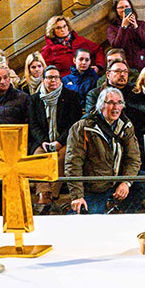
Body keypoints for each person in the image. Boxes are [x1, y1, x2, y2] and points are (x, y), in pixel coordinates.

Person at [65, 87, 145, 214]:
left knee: (144, 181)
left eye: (119, 103)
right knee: (83, 219)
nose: (116, 107)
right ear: (101, 106)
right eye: (111, 103)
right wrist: (77, 196)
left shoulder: (125, 126)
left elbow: (133, 159)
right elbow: (73, 164)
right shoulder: (82, 127)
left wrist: (126, 182)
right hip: (94, 187)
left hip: (117, 181)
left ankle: (118, 211)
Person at [28, 65, 84, 212]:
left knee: (62, 157)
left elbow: (74, 123)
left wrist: (59, 142)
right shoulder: (34, 99)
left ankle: (52, 195)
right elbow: (33, 125)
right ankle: (44, 193)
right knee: (39, 156)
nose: (53, 80)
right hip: (43, 140)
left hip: (65, 139)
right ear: (43, 79)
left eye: (56, 77)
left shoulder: (71, 96)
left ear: (60, 79)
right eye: (49, 77)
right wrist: (43, 141)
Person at [105, 0, 145, 71]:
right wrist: (123, 27)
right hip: (124, 67)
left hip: (140, 65)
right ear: (116, 10)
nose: (124, 10)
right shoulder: (112, 28)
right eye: (121, 7)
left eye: (127, 7)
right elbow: (117, 46)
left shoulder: (141, 24)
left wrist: (136, 27)